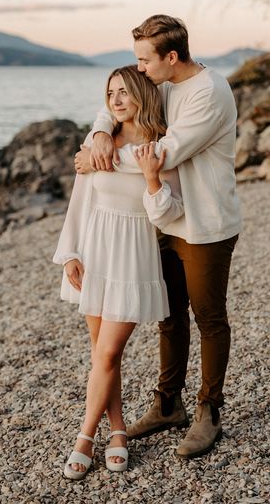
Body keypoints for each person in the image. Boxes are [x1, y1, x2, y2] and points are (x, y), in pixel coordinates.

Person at [75, 15, 242, 459]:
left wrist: (98, 160)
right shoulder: (163, 83)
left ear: (171, 57)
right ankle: (168, 404)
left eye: (144, 59)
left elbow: (163, 153)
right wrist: (98, 135)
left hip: (205, 224)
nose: (140, 67)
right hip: (163, 220)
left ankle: (210, 411)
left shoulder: (209, 92)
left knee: (209, 317)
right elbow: (115, 102)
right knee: (170, 317)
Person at [53, 65, 184, 480]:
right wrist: (70, 252)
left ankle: (84, 438)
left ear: (143, 94)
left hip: (132, 255)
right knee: (102, 357)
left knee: (108, 352)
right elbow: (80, 202)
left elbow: (168, 213)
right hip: (95, 250)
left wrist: (149, 178)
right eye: (111, 93)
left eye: (125, 92)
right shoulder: (99, 144)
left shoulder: (162, 149)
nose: (117, 100)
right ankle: (118, 432)